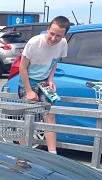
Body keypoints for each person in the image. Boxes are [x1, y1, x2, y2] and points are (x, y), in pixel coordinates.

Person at [18, 16, 70, 154]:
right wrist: (29, 91)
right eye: (51, 33)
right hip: (28, 82)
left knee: (50, 116)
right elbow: (22, 68)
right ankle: (23, 153)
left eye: (58, 36)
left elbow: (54, 62)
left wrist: (51, 80)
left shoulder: (63, 44)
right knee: (30, 118)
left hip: (44, 83)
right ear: (48, 29)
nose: (53, 38)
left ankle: (52, 153)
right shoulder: (34, 43)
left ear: (64, 35)